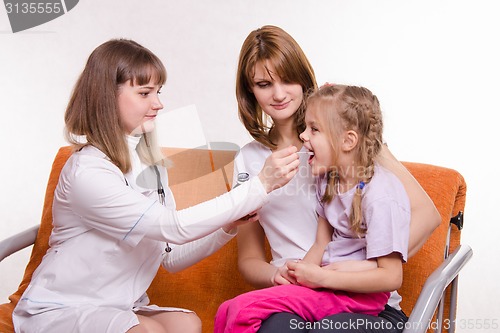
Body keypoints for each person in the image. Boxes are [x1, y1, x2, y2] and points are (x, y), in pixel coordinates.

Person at [11, 39, 300, 333]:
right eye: (145, 93)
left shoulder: (148, 167)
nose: (158, 103)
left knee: (187, 323)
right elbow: (172, 226)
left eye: (157, 92)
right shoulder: (88, 172)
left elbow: (171, 257)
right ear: (106, 96)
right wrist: (260, 185)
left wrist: (228, 226)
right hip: (63, 307)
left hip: (116, 304)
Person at [225, 25, 441, 333]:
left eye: (288, 79)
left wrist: (358, 268)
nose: (279, 93)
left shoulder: (344, 141)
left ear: (304, 78)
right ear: (250, 92)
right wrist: (279, 276)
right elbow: (248, 258)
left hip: (363, 303)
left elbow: (427, 215)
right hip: (298, 296)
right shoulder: (249, 159)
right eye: (263, 84)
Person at [215, 83, 413, 333]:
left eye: (314, 129)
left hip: (368, 304)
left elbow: (391, 276)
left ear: (348, 140)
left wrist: (322, 277)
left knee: (326, 328)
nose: (304, 136)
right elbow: (320, 245)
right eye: (306, 127)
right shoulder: (328, 180)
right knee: (259, 318)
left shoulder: (381, 194)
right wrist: (301, 277)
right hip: (329, 290)